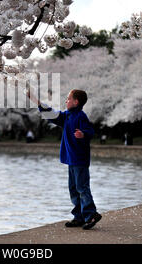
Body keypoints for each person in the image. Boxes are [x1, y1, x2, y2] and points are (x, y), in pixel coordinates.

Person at [27, 88, 102, 230]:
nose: (66, 101)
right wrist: (35, 100)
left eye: (68, 98)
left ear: (75, 102)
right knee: (73, 189)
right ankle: (79, 216)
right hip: (71, 159)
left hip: (80, 159)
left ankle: (91, 214)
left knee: (82, 187)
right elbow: (51, 113)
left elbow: (91, 131)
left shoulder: (81, 116)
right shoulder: (67, 116)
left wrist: (83, 134)